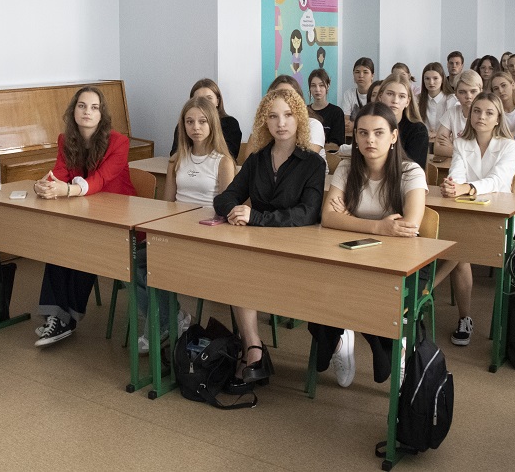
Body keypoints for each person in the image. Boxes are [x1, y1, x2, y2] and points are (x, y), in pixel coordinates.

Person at [213, 88, 326, 393]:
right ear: (265, 121)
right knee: (238, 266)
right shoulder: (257, 160)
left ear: (299, 118)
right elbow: (225, 198)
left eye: (288, 115)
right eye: (273, 116)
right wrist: (235, 210)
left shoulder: (313, 163)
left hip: (296, 251)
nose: (281, 123)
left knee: (243, 268)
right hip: (257, 247)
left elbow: (307, 213)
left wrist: (256, 217)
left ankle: (254, 352)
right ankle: (253, 349)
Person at [317, 103, 428, 387]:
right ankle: (341, 340)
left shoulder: (410, 172)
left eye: (379, 133)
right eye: (363, 133)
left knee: (370, 294)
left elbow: (409, 227)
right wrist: (380, 227)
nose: (370, 140)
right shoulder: (347, 168)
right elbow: (328, 218)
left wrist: (349, 219)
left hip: (400, 263)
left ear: (393, 136)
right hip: (350, 256)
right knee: (316, 287)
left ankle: (390, 346)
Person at [32, 86, 136, 346]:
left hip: (118, 218)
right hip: (85, 212)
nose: (87, 112)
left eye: (94, 107)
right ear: (73, 111)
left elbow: (100, 179)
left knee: (84, 245)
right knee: (58, 241)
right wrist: (43, 185)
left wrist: (68, 190)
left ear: (102, 114)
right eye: (82, 106)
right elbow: (59, 173)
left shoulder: (119, 142)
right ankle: (57, 317)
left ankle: (66, 319)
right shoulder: (65, 140)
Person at [137, 97, 235, 353]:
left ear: (212, 124)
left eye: (202, 121)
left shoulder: (223, 162)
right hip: (175, 232)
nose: (196, 127)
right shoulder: (176, 159)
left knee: (156, 266)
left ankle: (157, 327)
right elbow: (168, 204)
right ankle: (173, 318)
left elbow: (225, 209)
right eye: (190, 122)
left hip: (205, 235)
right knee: (131, 260)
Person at [438, 92, 515, 345]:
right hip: (466, 213)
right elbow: (456, 175)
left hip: (498, 220)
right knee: (460, 254)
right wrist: (452, 185)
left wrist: (466, 188)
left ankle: (426, 291)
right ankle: (465, 318)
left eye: (488, 113)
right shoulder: (462, 143)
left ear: (498, 119)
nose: (481, 117)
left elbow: (497, 181)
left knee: (459, 248)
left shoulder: (510, 147)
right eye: (476, 111)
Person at [169, 78, 242, 159]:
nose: (203, 103)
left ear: (217, 101)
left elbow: (230, 155)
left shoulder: (230, 123)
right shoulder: (184, 124)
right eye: (199, 99)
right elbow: (175, 154)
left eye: (209, 98)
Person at [269, 75, 326, 160]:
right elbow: (251, 160)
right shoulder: (266, 123)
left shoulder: (313, 125)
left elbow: (304, 163)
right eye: (279, 95)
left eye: (290, 96)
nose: (285, 100)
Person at [378, 73, 429, 168]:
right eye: (390, 94)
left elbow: (412, 168)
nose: (395, 101)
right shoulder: (368, 123)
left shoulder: (418, 130)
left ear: (407, 102)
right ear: (380, 96)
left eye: (401, 96)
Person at [434, 70, 482, 157]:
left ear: (481, 91)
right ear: (455, 94)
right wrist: (469, 154)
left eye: (473, 91)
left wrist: (453, 147)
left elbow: (483, 154)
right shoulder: (452, 112)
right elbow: (438, 148)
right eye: (462, 92)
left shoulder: (488, 114)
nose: (468, 96)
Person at [307, 68, 346, 146]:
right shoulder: (304, 111)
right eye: (313, 86)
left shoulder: (336, 112)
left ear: (328, 86)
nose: (317, 89)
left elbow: (335, 144)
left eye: (321, 85)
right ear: (310, 88)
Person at [418, 62, 454, 135]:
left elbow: (454, 126)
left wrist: (437, 134)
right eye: (427, 78)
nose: (431, 82)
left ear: (442, 79)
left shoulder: (451, 99)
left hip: (445, 138)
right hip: (424, 138)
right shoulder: (417, 99)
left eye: (435, 78)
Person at [342, 57, 375, 126]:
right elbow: (346, 120)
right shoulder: (349, 94)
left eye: (365, 72)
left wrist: (354, 125)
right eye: (357, 72)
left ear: (372, 76)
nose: (361, 76)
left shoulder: (376, 93)